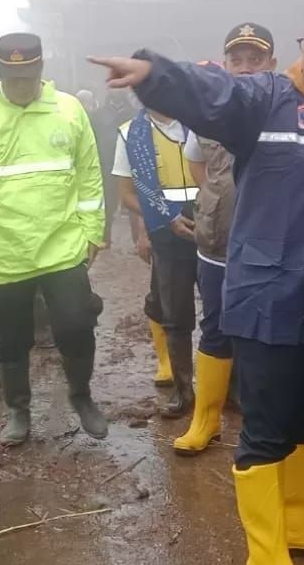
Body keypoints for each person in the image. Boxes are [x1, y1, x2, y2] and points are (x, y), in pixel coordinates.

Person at [92, 1, 304, 562]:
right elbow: (217, 93)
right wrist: (156, 75)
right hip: (268, 297)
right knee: (265, 426)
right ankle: (265, 552)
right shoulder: (268, 102)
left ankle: (301, 524)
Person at [0, 32, 108, 446]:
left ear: (40, 70)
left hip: (62, 248)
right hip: (3, 254)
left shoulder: (69, 111)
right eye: (12, 77)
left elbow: (89, 174)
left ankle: (82, 396)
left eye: (28, 75)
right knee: (9, 339)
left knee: (76, 325)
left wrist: (93, 231)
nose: (21, 85)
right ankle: (18, 410)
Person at [174, 22, 277, 455]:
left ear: (271, 63)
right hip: (218, 244)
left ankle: (268, 420)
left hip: (273, 244)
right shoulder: (210, 113)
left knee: (270, 331)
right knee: (215, 327)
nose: (246, 67)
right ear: (226, 64)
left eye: (256, 59)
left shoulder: (288, 109)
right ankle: (206, 420)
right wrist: (216, 197)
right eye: (237, 60)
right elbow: (197, 162)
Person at [113, 97, 199, 417]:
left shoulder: (200, 123)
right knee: (175, 314)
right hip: (167, 232)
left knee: (223, 310)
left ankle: (230, 388)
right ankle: (183, 390)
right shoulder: (129, 134)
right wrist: (163, 218)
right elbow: (126, 195)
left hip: (213, 227)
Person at [92, 89, 135, 246]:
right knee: (108, 202)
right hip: (106, 163)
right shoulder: (98, 115)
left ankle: (139, 239)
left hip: (131, 163)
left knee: (134, 202)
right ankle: (105, 236)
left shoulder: (134, 114)